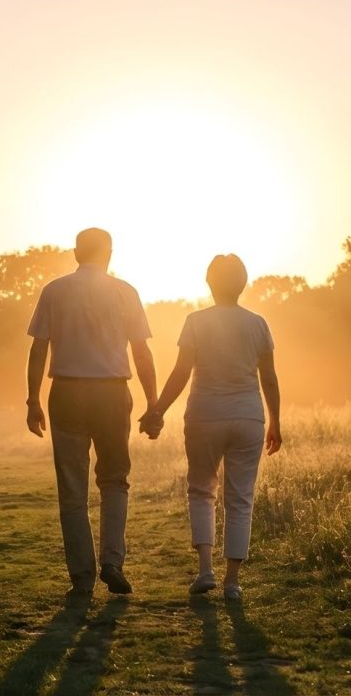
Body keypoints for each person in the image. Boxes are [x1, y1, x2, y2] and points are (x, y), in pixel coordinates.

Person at [26, 228, 161, 602]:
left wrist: (32, 400)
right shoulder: (125, 292)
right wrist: (153, 403)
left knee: (72, 489)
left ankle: (82, 579)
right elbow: (142, 353)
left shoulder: (55, 290)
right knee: (115, 479)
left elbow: (39, 349)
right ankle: (113, 562)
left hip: (66, 391)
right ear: (110, 254)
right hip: (112, 392)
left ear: (75, 253)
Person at [140, 254, 282, 601]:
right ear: (243, 283)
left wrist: (156, 409)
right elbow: (270, 379)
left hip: (205, 414)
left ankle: (205, 570)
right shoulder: (258, 323)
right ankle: (232, 582)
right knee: (240, 498)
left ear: (209, 282)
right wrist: (275, 421)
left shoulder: (195, 321)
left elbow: (180, 372)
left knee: (201, 490)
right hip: (249, 416)